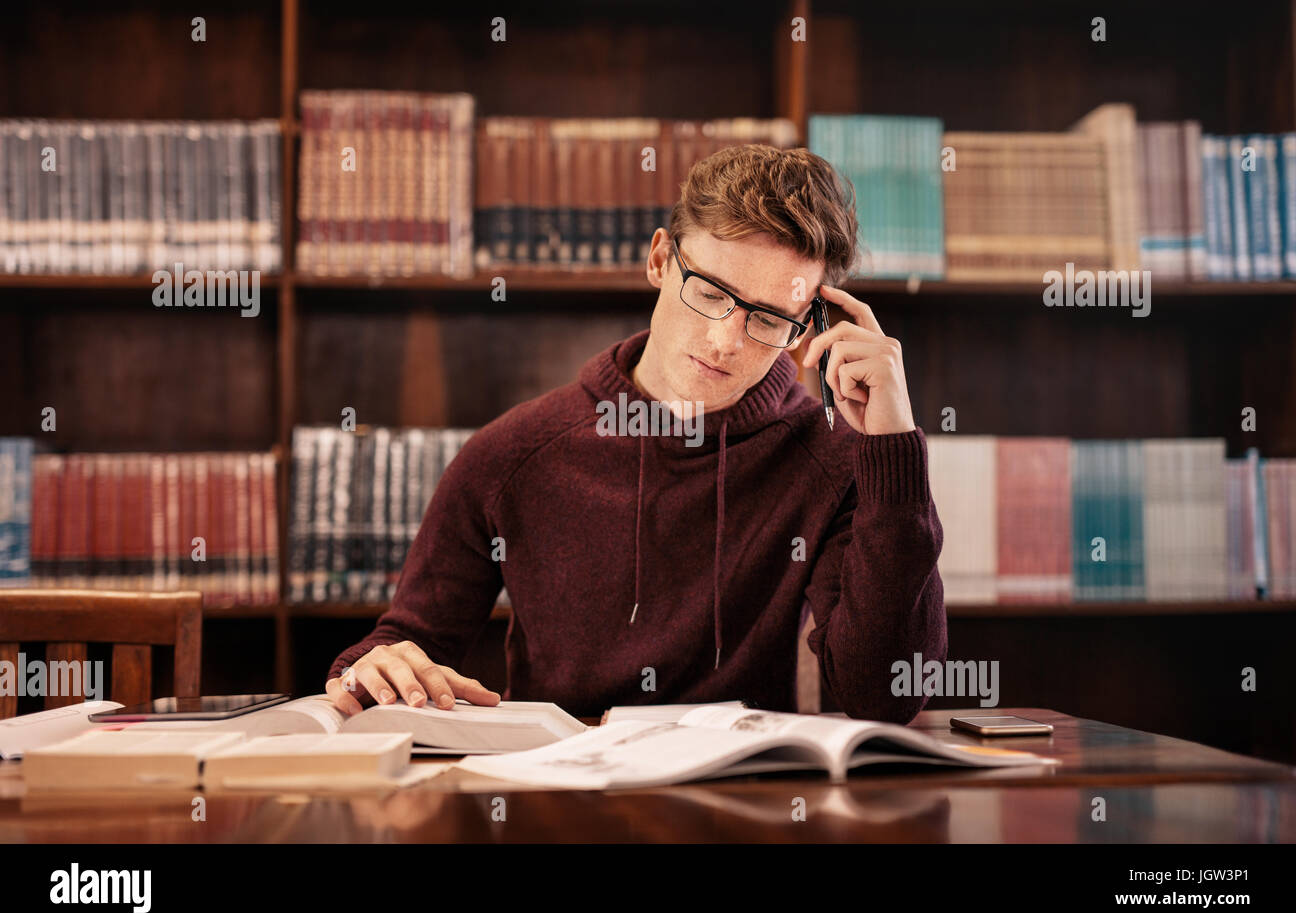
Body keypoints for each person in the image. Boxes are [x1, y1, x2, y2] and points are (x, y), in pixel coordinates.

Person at [325, 143, 946, 721]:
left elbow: (889, 694)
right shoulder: (512, 453)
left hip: (744, 803)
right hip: (559, 801)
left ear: (808, 326)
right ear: (658, 260)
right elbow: (406, 643)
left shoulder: (837, 461)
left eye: (769, 319)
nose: (724, 340)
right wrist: (372, 671)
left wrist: (892, 449)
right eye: (710, 292)